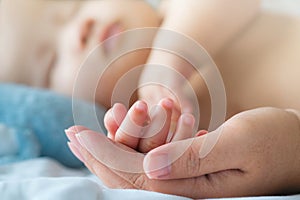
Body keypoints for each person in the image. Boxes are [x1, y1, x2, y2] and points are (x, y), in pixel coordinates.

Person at [65, 0, 300, 199]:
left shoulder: (174, 13)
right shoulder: (146, 125)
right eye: (51, 59)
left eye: (75, 6)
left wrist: (171, 53)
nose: (78, 29)